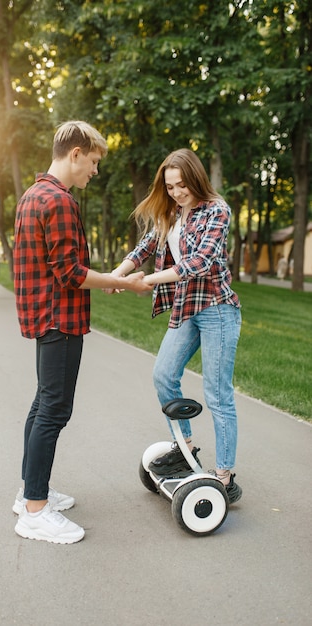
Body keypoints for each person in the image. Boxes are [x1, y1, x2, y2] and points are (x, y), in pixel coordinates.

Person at [12, 120, 146, 544]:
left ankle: (30, 492)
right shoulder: (60, 201)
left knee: (42, 405)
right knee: (54, 409)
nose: (95, 171)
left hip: (43, 317)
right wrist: (124, 281)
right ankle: (34, 510)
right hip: (59, 319)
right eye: (92, 162)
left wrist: (104, 276)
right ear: (74, 154)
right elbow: (69, 272)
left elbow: (62, 268)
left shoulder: (33, 194)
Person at [110, 148, 243, 503]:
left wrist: (148, 281)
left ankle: (224, 476)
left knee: (217, 394)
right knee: (163, 374)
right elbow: (144, 247)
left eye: (182, 185)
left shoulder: (217, 210)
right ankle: (186, 447)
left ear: (196, 178)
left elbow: (199, 262)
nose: (177, 193)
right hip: (187, 307)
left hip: (216, 309)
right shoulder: (170, 212)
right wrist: (118, 275)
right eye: (170, 187)